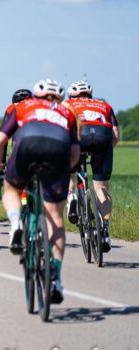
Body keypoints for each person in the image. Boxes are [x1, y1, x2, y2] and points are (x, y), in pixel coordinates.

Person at [0, 79, 79, 304]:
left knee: (11, 188)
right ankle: (55, 278)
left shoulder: (22, 107)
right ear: (58, 97)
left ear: (35, 96)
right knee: (55, 218)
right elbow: (75, 151)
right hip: (57, 152)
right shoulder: (66, 112)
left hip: (27, 148)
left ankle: (16, 223)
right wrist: (65, 170)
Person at [65, 81, 119, 252]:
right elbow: (115, 136)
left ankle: (71, 197)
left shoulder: (67, 105)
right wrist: (104, 150)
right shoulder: (105, 105)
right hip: (103, 137)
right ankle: (104, 232)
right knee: (101, 187)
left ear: (71, 95)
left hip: (80, 137)